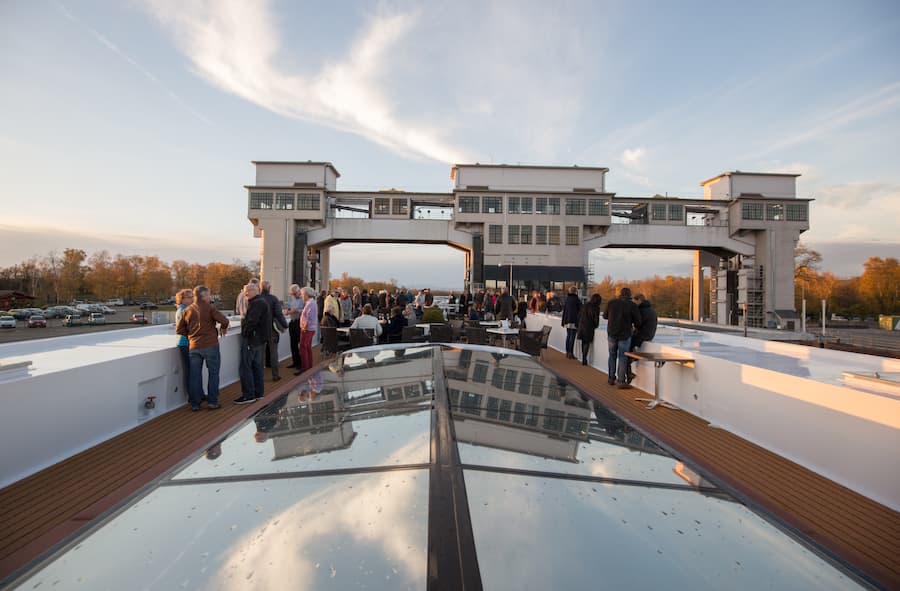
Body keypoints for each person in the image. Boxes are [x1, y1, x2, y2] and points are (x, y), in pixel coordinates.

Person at [176, 285, 230, 411]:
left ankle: (195, 403)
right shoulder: (210, 308)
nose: (210, 297)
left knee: (194, 375)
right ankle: (212, 401)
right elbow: (225, 321)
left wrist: (191, 337)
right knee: (213, 373)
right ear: (204, 295)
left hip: (194, 347)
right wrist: (223, 328)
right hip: (210, 345)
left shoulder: (187, 310)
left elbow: (179, 329)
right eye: (209, 294)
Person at [234, 283, 270, 404]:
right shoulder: (261, 302)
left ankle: (248, 395)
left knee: (246, 367)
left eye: (247, 291)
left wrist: (245, 333)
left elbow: (252, 321)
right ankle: (258, 393)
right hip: (259, 340)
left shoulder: (256, 303)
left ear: (255, 291)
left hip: (252, 339)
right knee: (257, 366)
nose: (245, 294)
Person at [603, 287, 641, 388]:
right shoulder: (632, 305)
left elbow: (605, 316)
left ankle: (611, 378)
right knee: (623, 357)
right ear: (629, 295)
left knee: (612, 355)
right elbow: (638, 321)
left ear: (620, 294)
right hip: (625, 334)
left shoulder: (612, 302)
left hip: (612, 332)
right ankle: (621, 381)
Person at [259, 280, 288, 381]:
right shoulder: (273, 299)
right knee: (273, 352)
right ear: (269, 288)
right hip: (271, 329)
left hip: (260, 330)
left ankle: (260, 377)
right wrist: (284, 325)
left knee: (260, 354)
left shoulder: (257, 299)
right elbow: (279, 314)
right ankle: (275, 375)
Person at [627, 294, 658, 382]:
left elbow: (638, 323)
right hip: (649, 334)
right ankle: (629, 371)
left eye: (634, 302)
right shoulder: (650, 309)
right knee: (628, 352)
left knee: (625, 353)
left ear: (639, 300)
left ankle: (628, 374)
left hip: (642, 335)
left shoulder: (641, 310)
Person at [174, 288, 194, 399]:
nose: (192, 299)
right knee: (190, 370)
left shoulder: (185, 309)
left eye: (192, 296)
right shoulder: (183, 310)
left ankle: (194, 394)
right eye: (189, 297)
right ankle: (192, 395)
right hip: (185, 343)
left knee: (191, 369)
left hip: (187, 342)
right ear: (182, 299)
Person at [296, 287, 318, 375]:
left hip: (307, 329)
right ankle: (308, 367)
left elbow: (310, 318)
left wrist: (304, 327)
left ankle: (305, 368)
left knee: (303, 347)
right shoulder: (310, 302)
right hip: (309, 329)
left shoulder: (311, 303)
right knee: (307, 347)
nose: (301, 296)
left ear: (306, 295)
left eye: (302, 294)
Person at [577, 294, 602, 366]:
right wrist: (596, 325)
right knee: (586, 342)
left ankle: (583, 357)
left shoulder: (585, 305)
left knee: (583, 342)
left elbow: (579, 314)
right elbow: (596, 318)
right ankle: (584, 358)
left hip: (582, 325)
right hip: (589, 326)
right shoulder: (596, 308)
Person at [285, 284, 304, 369]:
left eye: (294, 293)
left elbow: (306, 310)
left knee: (300, 343)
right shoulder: (291, 298)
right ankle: (295, 362)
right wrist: (287, 311)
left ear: (298, 291)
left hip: (300, 322)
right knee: (293, 343)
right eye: (292, 293)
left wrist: (297, 310)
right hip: (292, 322)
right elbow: (288, 307)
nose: (293, 295)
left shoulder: (304, 298)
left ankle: (301, 363)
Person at [561, 286, 582, 359]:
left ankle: (567, 352)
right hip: (574, 320)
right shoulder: (576, 300)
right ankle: (570, 353)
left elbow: (565, 311)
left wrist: (563, 321)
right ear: (575, 291)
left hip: (567, 320)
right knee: (572, 337)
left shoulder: (567, 299)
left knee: (568, 336)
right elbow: (580, 310)